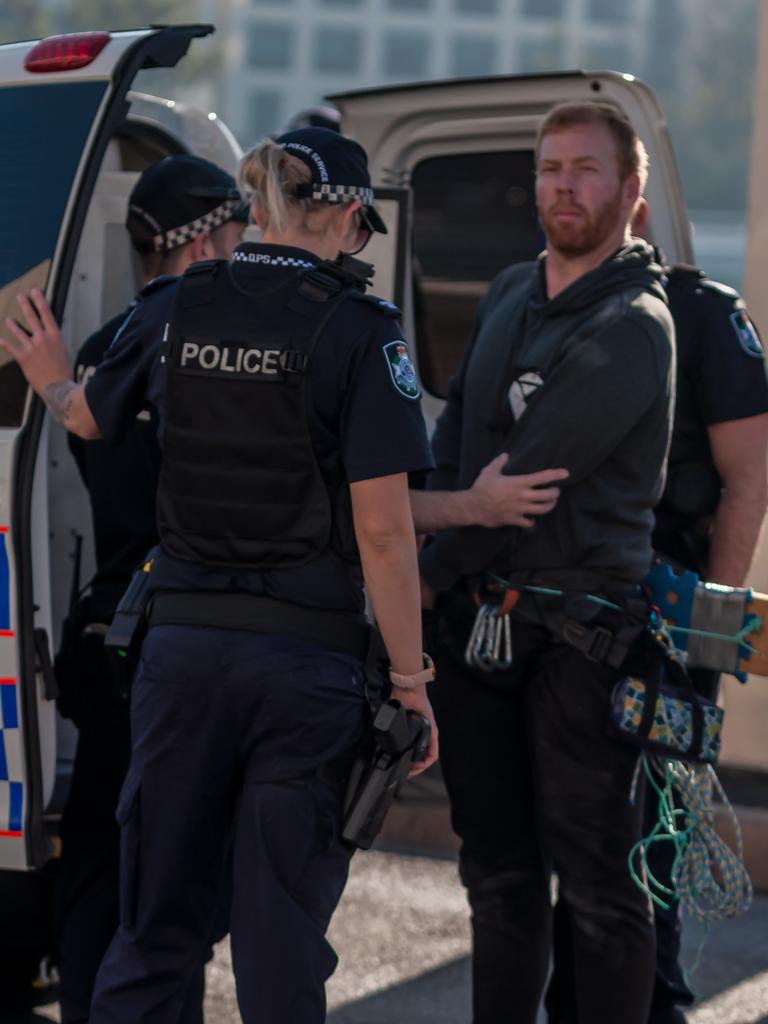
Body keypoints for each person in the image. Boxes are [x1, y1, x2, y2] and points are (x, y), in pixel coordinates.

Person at [1, 126, 439, 1023]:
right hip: (305, 674)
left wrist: (47, 382)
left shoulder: (179, 305)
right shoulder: (361, 331)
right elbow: (386, 533)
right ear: (351, 215)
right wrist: (411, 683)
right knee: (278, 949)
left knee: (154, 929)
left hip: (181, 662)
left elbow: (86, 418)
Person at [409, 101, 675, 1024]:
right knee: (498, 877)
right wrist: (438, 557)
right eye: (550, 167)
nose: (564, 185)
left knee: (600, 889)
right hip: (481, 631)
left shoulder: (637, 326)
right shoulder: (511, 289)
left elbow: (527, 483)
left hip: (580, 645)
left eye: (588, 169)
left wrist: (421, 576)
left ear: (631, 194)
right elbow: (458, 433)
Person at [545, 199, 768, 1024]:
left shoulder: (703, 312)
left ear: (638, 207)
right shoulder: (552, 307)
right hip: (569, 615)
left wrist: (708, 629)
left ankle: (655, 1007)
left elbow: (748, 479)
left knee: (654, 845)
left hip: (668, 621)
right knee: (581, 845)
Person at [52, 154, 248, 1024]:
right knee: (174, 882)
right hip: (182, 639)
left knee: (96, 857)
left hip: (104, 629)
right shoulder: (215, 348)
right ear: (206, 238)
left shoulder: (100, 355)